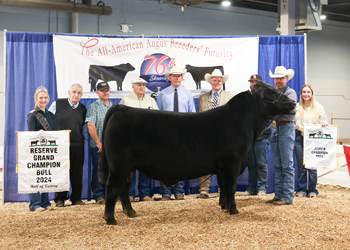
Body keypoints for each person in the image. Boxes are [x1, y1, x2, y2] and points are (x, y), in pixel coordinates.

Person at [156, 65, 196, 201]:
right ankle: (165, 192)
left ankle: (179, 191)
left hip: (183, 132)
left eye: (179, 76)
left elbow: (192, 114)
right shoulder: (163, 94)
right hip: (167, 132)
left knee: (182, 162)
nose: (176, 78)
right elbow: (158, 114)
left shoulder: (188, 94)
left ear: (182, 78)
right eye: (174, 75)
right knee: (165, 161)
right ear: (170, 78)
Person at [119, 77, 159, 202]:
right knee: (129, 168)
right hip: (130, 140)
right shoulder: (125, 100)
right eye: (139, 84)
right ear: (133, 86)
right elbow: (120, 122)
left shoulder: (151, 101)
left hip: (147, 140)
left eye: (143, 85)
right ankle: (129, 194)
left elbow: (157, 119)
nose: (142, 87)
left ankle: (144, 194)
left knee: (145, 167)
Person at [197, 69, 233, 199]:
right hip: (207, 135)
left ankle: (224, 188)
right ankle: (204, 189)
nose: (217, 82)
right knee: (205, 160)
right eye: (214, 80)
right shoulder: (203, 97)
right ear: (210, 82)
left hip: (224, 135)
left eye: (219, 80)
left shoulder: (230, 97)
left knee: (225, 162)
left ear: (222, 82)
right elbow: (200, 117)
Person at [49, 83, 87, 207]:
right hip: (60, 144)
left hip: (77, 144)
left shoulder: (83, 108)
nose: (76, 95)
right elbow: (48, 120)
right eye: (74, 92)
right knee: (61, 171)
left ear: (81, 95)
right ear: (69, 92)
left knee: (77, 172)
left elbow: (83, 127)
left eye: (79, 93)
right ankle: (60, 199)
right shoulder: (58, 104)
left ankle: (76, 199)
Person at [266, 66, 297, 205]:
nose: (278, 80)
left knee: (287, 164)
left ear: (286, 79)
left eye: (280, 78)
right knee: (278, 164)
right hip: (276, 128)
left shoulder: (291, 92)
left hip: (286, 127)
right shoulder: (274, 94)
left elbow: (288, 108)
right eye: (276, 78)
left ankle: (287, 196)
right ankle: (278, 194)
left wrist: (274, 106)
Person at [294, 84, 328, 198]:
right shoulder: (297, 107)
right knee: (301, 165)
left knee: (312, 165)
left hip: (313, 138)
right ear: (301, 94)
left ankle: (312, 189)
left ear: (312, 94)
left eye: (308, 92)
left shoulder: (318, 107)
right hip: (299, 137)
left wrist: (324, 124)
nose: (306, 94)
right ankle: (302, 189)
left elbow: (324, 121)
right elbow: (293, 124)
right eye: (304, 92)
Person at [27, 86, 57, 212]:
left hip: (48, 150)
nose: (43, 100)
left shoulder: (51, 115)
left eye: (45, 98)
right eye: (40, 98)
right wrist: (37, 133)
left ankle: (45, 202)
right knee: (35, 176)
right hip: (36, 150)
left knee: (45, 175)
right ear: (36, 99)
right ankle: (35, 203)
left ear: (48, 99)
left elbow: (54, 132)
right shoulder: (32, 115)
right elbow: (30, 135)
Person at [85, 82, 115, 204]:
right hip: (99, 145)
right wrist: (98, 142)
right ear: (97, 93)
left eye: (107, 90)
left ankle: (110, 194)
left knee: (111, 170)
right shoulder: (94, 107)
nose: (105, 92)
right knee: (99, 169)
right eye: (103, 90)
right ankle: (99, 195)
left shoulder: (113, 107)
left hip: (112, 146)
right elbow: (90, 125)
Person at [242, 74, 271, 196]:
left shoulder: (266, 99)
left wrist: (259, 133)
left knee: (261, 163)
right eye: (251, 81)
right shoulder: (247, 99)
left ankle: (262, 187)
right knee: (251, 163)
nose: (253, 84)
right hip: (250, 138)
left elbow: (269, 120)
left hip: (262, 137)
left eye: (256, 81)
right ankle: (251, 188)